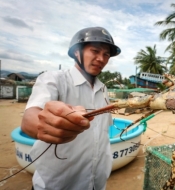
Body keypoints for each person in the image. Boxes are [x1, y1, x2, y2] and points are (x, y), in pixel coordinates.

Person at [21, 26, 121, 190]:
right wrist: (46, 124)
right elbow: (30, 119)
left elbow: (102, 133)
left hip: (96, 183)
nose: (101, 59)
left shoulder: (103, 89)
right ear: (76, 52)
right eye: (95, 51)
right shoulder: (53, 79)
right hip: (56, 184)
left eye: (106, 54)